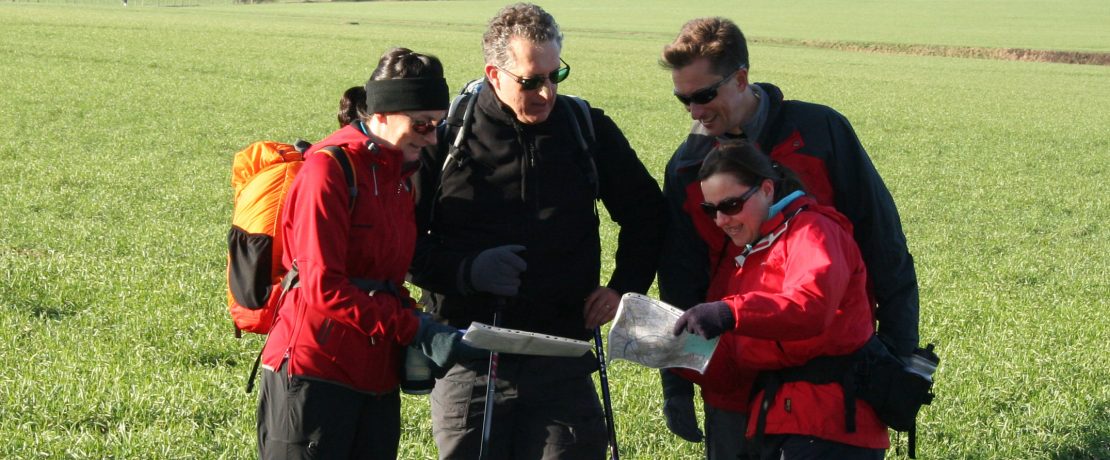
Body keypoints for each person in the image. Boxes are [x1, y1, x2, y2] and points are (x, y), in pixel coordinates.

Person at [409, 3, 666, 459]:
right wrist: (467, 272)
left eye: (556, 76)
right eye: (531, 81)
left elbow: (647, 213)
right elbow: (402, 242)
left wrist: (623, 287)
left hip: (561, 355)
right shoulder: (447, 136)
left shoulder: (587, 128)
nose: (547, 93)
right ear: (494, 72)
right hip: (470, 356)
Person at [655, 17, 920, 458]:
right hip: (733, 377)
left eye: (704, 96)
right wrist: (676, 383)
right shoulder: (686, 166)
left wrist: (899, 353)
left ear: (741, 78)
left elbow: (883, 243)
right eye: (683, 100)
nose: (695, 112)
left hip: (826, 377)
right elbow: (681, 275)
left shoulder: (820, 133)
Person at [256, 48, 477, 460]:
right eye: (422, 124)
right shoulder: (328, 171)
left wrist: (418, 319)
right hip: (313, 376)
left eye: (438, 124)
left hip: (376, 380)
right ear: (382, 114)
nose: (432, 138)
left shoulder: (399, 178)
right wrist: (415, 331)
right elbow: (324, 289)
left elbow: (386, 281)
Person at [672, 141, 889, 459]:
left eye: (731, 205)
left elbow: (810, 307)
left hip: (827, 426)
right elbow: (735, 368)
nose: (720, 221)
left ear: (767, 190)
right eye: (711, 210)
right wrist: (674, 352)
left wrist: (729, 311)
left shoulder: (813, 231)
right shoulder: (755, 252)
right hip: (777, 425)